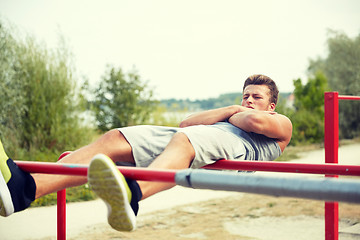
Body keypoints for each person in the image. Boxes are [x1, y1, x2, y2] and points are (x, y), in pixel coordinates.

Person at [0, 74, 292, 231]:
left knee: (184, 143)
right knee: (116, 138)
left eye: (257, 97)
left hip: (237, 148)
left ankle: (132, 196)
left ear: (272, 105)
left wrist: (234, 113)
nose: (249, 101)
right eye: (245, 96)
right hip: (196, 135)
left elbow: (254, 122)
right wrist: (231, 109)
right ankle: (22, 189)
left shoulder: (282, 124)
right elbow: (185, 122)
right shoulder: (232, 112)